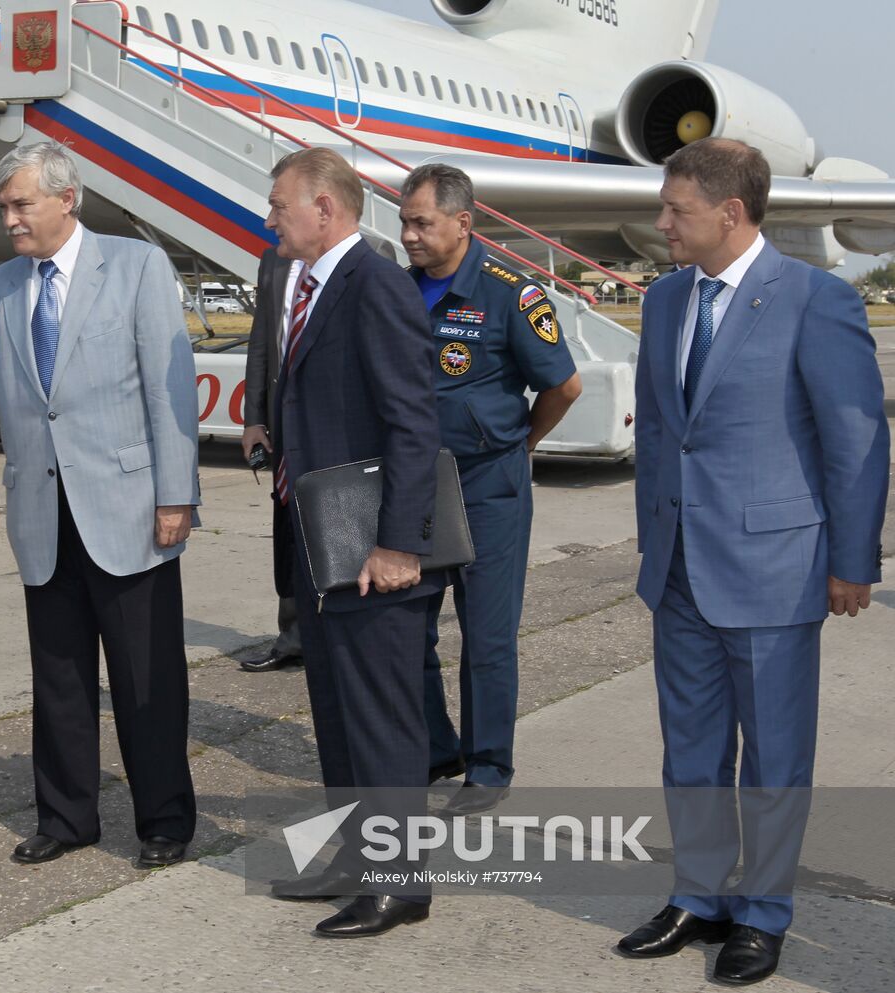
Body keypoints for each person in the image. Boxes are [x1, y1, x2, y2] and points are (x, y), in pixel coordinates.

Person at [619, 137, 888, 985]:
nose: (662, 222)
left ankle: (764, 911)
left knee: (774, 756)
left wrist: (854, 559)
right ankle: (698, 894)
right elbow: (662, 432)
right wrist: (651, 537)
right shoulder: (665, 300)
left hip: (776, 567)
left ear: (730, 213)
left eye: (677, 210)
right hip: (680, 569)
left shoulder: (815, 299)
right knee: (690, 750)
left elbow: (856, 438)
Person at [0, 142, 201, 869]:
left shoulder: (135, 269)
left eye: (22, 205)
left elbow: (169, 391)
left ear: (66, 199)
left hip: (131, 505)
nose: (9, 219)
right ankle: (67, 817)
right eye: (4, 207)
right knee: (61, 676)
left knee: (147, 677)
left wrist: (177, 492)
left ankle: (164, 819)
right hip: (42, 512)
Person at [261, 148, 443, 937]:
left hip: (374, 544)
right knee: (335, 710)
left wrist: (400, 543)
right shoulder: (306, 282)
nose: (270, 217)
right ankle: (357, 855)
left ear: (325, 209)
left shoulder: (376, 284)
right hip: (320, 533)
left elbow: (413, 422)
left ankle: (400, 882)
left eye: (279, 205)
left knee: (381, 715)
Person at [398, 164, 582, 815]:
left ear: (462, 223)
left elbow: (564, 386)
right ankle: (436, 745)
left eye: (421, 222)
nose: (409, 234)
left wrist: (518, 444)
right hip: (414, 486)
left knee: (487, 631)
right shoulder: (400, 290)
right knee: (407, 627)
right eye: (404, 221)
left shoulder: (511, 294)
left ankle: (487, 763)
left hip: (486, 485)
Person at [240, 246, 302, 673]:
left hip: (333, 431)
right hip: (282, 426)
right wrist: (254, 418)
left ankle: (335, 640)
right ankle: (293, 638)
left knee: (331, 532)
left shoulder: (372, 253)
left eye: (279, 207)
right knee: (287, 533)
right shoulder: (274, 261)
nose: (269, 220)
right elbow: (262, 340)